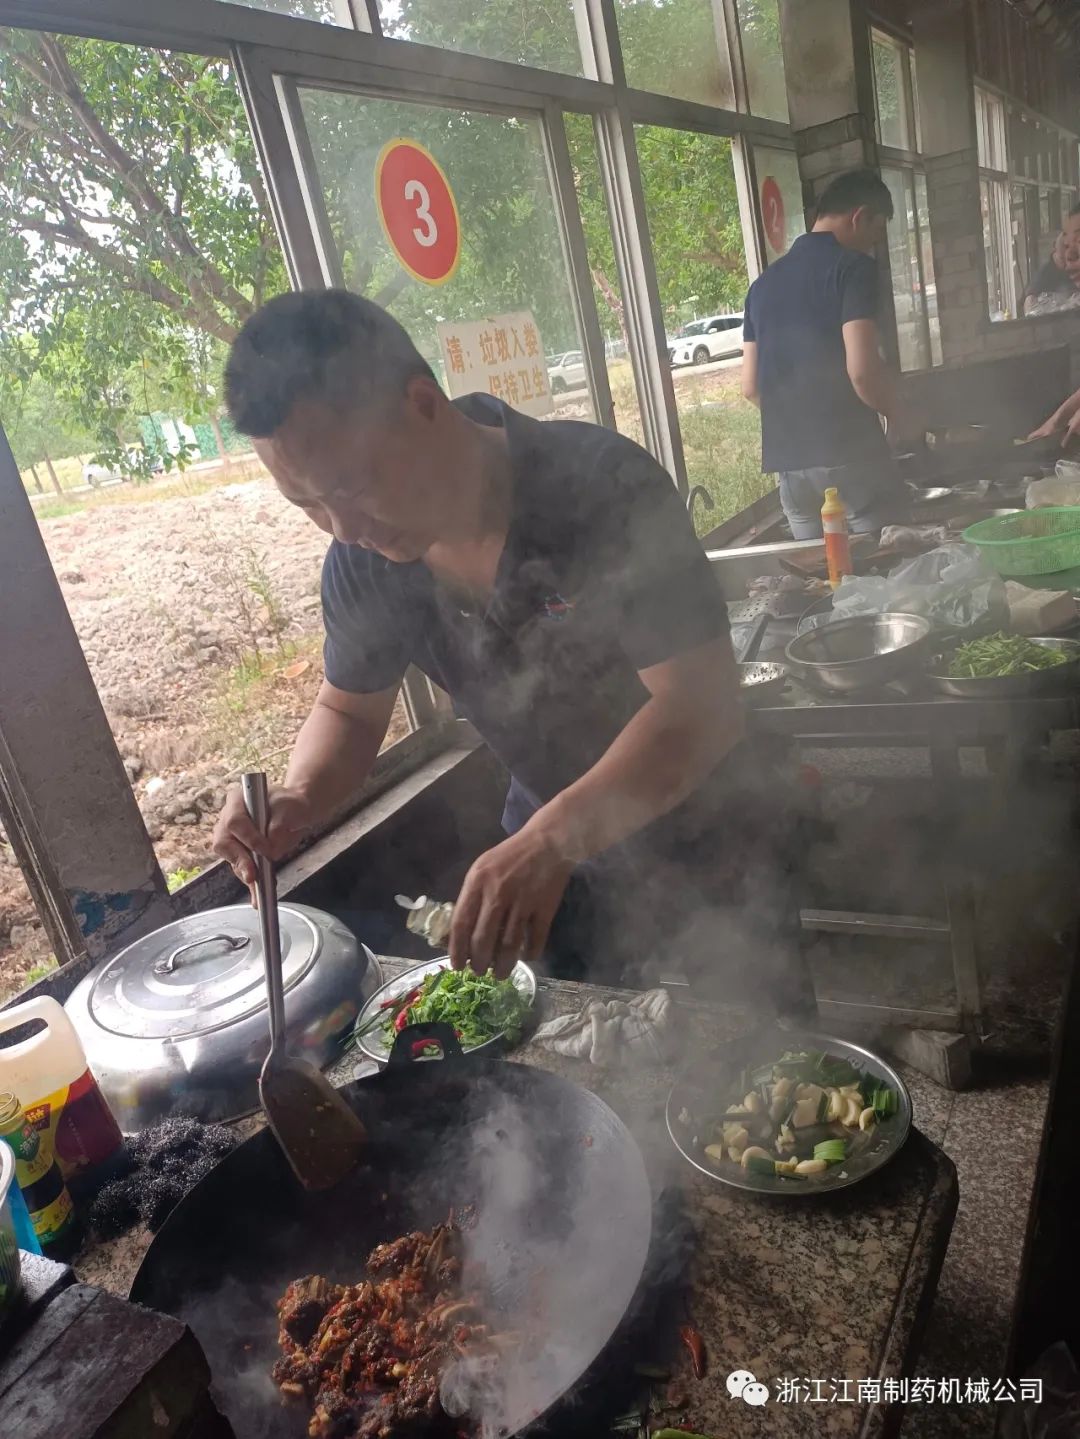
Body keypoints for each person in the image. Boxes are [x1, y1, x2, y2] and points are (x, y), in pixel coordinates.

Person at [211, 290, 809, 1012]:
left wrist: (552, 839)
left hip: (708, 832)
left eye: (352, 486)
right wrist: (302, 794)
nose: (342, 527)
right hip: (550, 863)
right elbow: (348, 709)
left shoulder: (601, 490)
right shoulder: (364, 564)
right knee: (571, 1056)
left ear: (422, 404)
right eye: (306, 504)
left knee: (763, 1054)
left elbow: (700, 708)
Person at [741, 168, 914, 540]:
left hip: (790, 471)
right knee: (887, 565)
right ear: (859, 216)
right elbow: (862, 371)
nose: (873, 244)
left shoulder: (761, 286)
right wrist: (901, 416)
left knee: (822, 571)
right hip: (850, 457)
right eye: (875, 231)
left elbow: (750, 387)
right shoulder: (854, 269)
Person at [1023, 230, 1072, 313]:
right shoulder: (1043, 275)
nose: (1067, 263)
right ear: (1055, 251)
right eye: (1062, 259)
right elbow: (1029, 303)